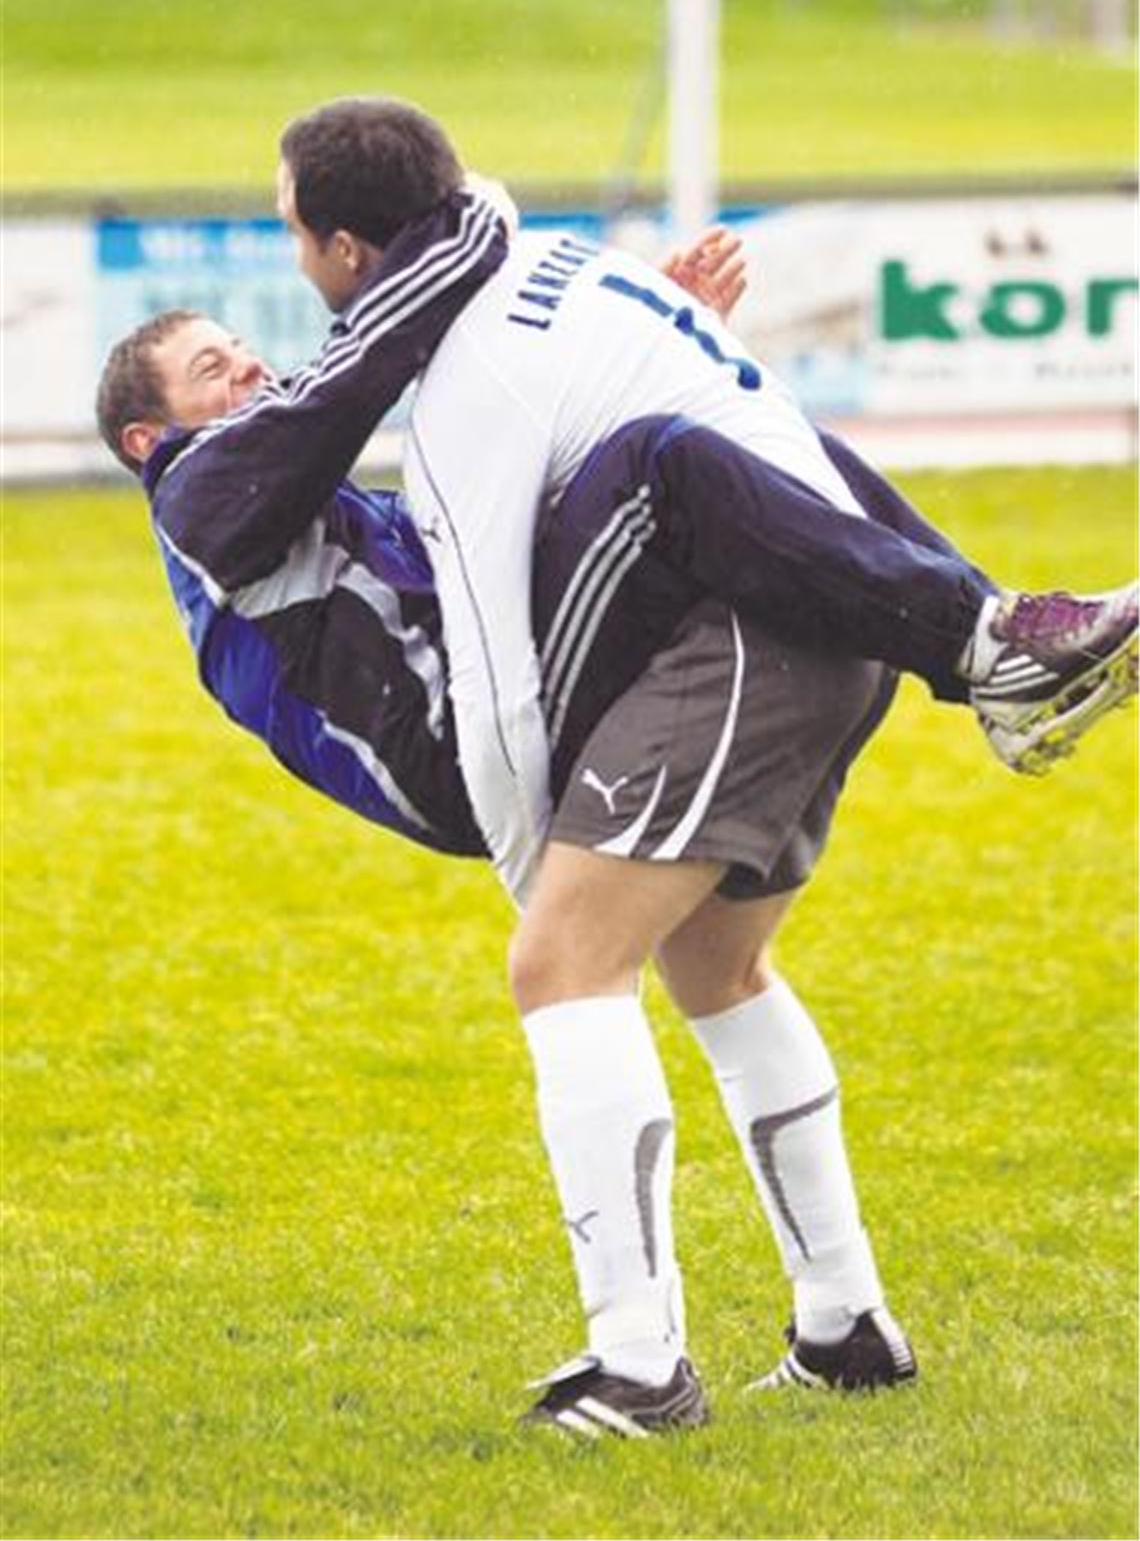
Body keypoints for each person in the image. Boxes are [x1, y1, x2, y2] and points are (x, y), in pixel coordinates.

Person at [265, 95, 1136, 1435]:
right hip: (840, 612)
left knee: (564, 965)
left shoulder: (467, 398)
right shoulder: (559, 260)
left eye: (295, 232)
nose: (294, 261)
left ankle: (637, 1365)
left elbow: (499, 681)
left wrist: (535, 883)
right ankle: (845, 1325)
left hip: (744, 640)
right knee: (716, 968)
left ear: (344, 254)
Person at [98, 205, 915, 1438]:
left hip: (516, 691)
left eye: (243, 350)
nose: (253, 368)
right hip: (460, 744)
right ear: (149, 437)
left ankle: (837, 1326)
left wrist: (652, 324)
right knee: (667, 464)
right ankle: (645, 1360)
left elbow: (489, 475)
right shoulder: (206, 493)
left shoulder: (281, 477)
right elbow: (366, 370)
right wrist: (472, 234)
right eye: (216, 369)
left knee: (721, 969)